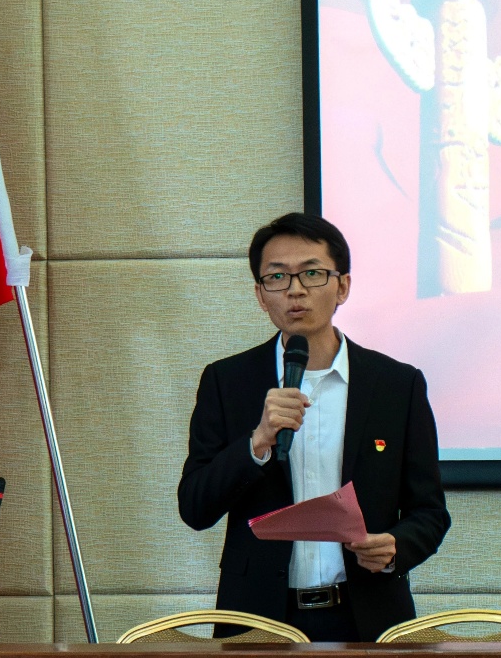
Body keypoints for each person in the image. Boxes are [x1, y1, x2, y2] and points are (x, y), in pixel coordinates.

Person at [178, 213, 451, 642]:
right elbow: (194, 507)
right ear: (260, 295)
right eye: (277, 277)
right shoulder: (227, 382)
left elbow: (430, 512)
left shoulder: (397, 385)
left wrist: (396, 546)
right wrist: (256, 443)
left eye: (312, 273)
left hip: (367, 616)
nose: (295, 290)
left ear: (342, 286)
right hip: (258, 619)